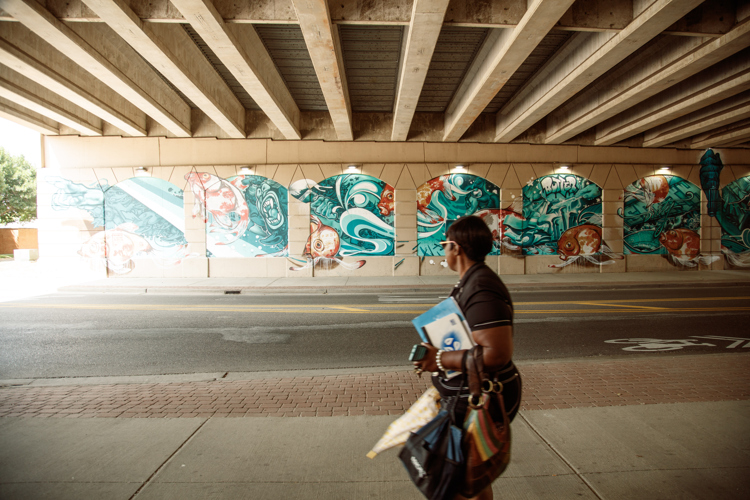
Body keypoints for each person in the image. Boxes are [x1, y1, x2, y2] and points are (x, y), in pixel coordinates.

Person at [412, 215, 521, 500]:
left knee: (457, 479)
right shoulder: (471, 280)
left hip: (481, 395)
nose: (443, 250)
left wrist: (439, 360)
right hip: (468, 390)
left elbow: (496, 353)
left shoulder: (482, 286)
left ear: (456, 248)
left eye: (445, 244)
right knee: (471, 474)